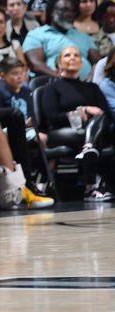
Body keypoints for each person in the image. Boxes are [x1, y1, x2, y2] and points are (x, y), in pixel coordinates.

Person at [40, 46, 113, 201]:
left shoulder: (92, 88)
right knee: (91, 135)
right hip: (62, 131)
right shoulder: (51, 88)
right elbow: (52, 117)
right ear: (59, 64)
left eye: (76, 55)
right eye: (67, 55)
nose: (72, 58)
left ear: (81, 63)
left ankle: (89, 149)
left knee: (101, 121)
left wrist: (93, 114)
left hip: (92, 129)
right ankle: (91, 186)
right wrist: (83, 110)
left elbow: (104, 113)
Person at [23, 0, 100, 79]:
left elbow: (99, 62)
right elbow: (35, 64)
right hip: (53, 83)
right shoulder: (37, 34)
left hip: (86, 84)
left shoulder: (82, 36)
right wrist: (60, 78)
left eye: (72, 11)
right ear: (52, 12)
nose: (69, 14)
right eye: (64, 10)